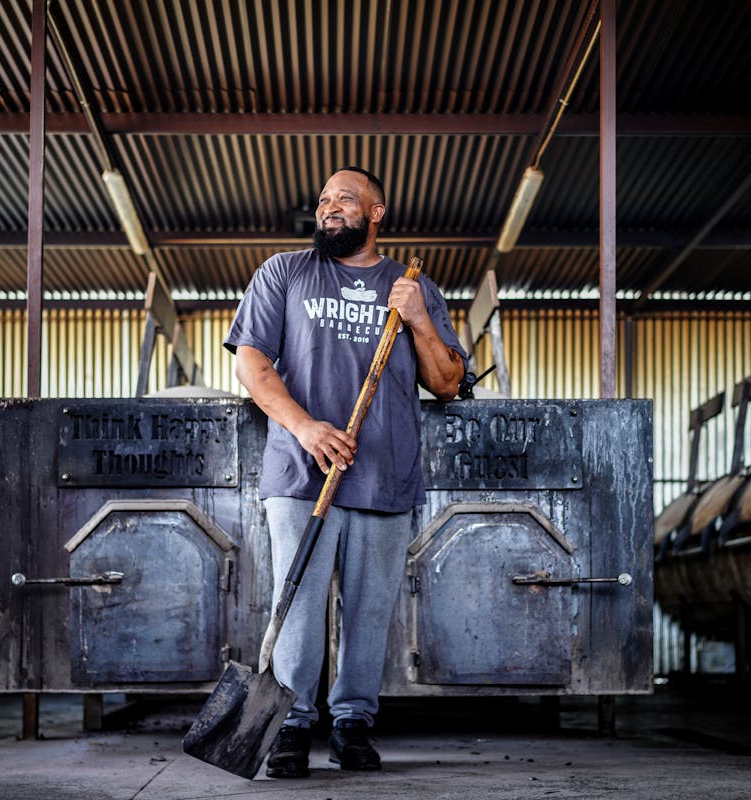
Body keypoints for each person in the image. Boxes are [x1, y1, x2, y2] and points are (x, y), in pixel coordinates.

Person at [224, 166, 466, 778]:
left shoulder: (411, 286)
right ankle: (290, 724)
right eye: (325, 199)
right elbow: (251, 363)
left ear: (375, 213)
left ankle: (353, 723)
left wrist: (419, 319)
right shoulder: (284, 272)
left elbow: (447, 381)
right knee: (298, 605)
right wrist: (306, 428)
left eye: (345, 199)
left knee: (369, 610)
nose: (329, 207)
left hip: (385, 473)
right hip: (301, 472)